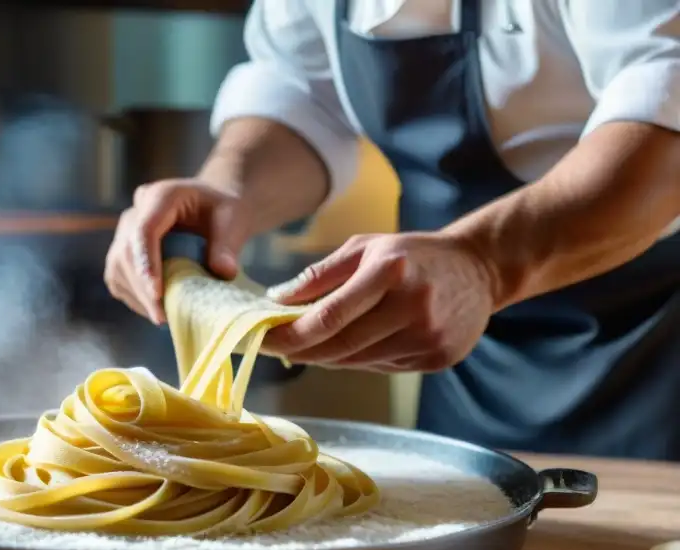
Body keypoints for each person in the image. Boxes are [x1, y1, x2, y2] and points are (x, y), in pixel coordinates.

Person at [103, 0, 680, 461]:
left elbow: (666, 115)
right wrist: (231, 188)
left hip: (653, 339)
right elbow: (302, 92)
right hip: (469, 353)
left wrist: (482, 265)